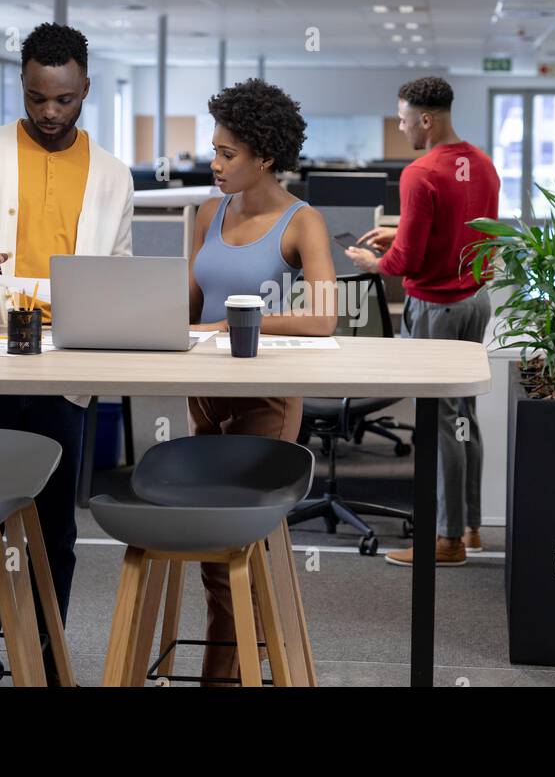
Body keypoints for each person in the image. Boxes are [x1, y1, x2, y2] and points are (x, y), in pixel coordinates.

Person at [0, 22, 134, 681]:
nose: (48, 112)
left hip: (63, 366)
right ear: (23, 83)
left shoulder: (112, 173)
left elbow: (117, 267)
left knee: (53, 529)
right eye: (37, 97)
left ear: (85, 88)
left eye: (63, 99)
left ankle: (43, 654)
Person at [188, 78, 336, 683]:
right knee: (210, 537)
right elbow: (185, 305)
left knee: (238, 540)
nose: (215, 165)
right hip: (202, 392)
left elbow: (324, 314)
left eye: (228, 155)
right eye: (214, 151)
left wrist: (239, 320)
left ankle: (224, 670)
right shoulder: (207, 211)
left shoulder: (303, 222)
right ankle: (252, 657)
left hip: (265, 399)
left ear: (265, 157)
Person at [345, 76, 500, 567]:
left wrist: (373, 262)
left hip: (435, 308)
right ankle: (469, 527)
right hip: (474, 302)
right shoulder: (483, 166)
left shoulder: (420, 172)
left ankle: (445, 539)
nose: (400, 124)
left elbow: (406, 262)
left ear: (426, 119)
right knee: (462, 417)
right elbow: (468, 235)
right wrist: (399, 235)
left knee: (438, 423)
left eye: (404, 117)